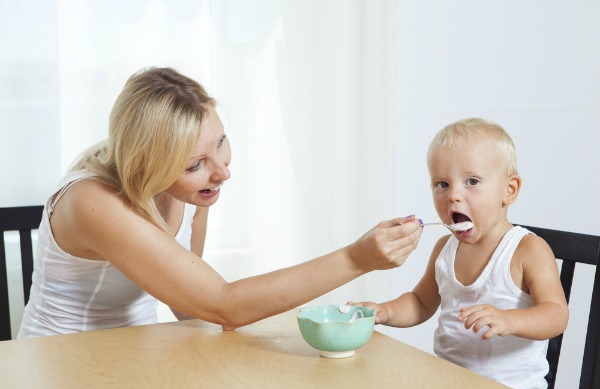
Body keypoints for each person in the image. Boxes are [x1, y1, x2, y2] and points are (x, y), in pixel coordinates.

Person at [17, 67, 422, 338]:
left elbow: (188, 307)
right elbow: (220, 304)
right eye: (196, 163)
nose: (223, 172)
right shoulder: (93, 203)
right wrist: (357, 258)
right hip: (62, 363)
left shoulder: (179, 187)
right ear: (151, 162)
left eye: (221, 143)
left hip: (139, 354)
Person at [348, 118, 568, 389]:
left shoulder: (527, 250)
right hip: (449, 386)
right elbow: (420, 302)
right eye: (442, 184)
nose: (453, 196)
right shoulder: (444, 248)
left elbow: (556, 314)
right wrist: (385, 311)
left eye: (472, 181)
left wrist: (509, 320)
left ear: (508, 190)